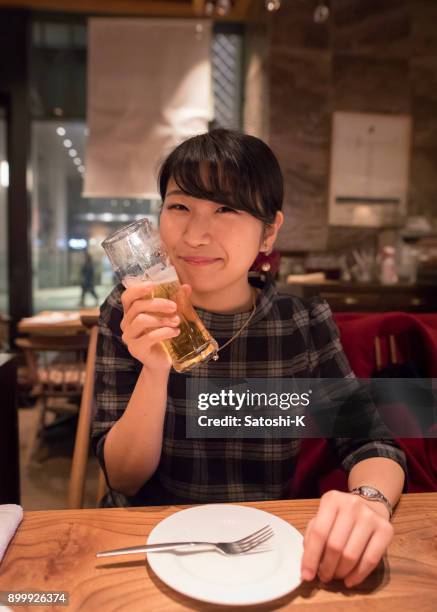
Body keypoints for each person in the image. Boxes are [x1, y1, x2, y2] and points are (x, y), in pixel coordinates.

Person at [92, 129, 407, 588]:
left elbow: (369, 441)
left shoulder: (300, 319)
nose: (196, 235)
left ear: (269, 231)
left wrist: (369, 500)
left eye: (227, 209)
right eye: (180, 207)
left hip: (264, 549)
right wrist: (155, 368)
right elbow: (124, 479)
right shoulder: (126, 312)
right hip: (149, 545)